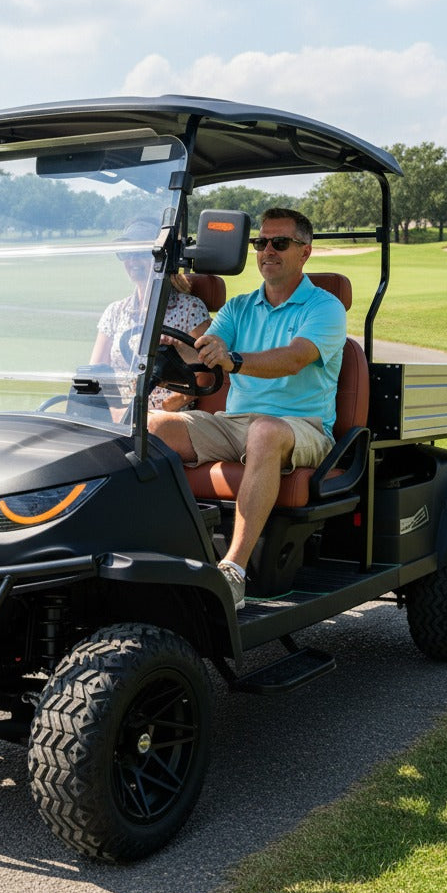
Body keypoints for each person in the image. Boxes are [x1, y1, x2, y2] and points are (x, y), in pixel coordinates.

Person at [149, 208, 346, 609]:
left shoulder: (324, 308)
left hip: (301, 427)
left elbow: (292, 358)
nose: (267, 251)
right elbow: (204, 351)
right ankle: (154, 552)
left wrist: (234, 360)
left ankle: (233, 572)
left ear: (304, 252)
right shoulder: (239, 308)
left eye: (279, 243)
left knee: (265, 432)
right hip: (234, 424)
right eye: (260, 243)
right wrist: (177, 348)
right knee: (151, 426)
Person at [91, 218, 211, 412]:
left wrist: (156, 410)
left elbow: (202, 378)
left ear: (162, 259)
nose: (132, 261)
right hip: (121, 414)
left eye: (140, 253)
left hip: (167, 416)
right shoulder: (114, 312)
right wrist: (115, 412)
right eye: (128, 254)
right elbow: (96, 372)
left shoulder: (191, 309)